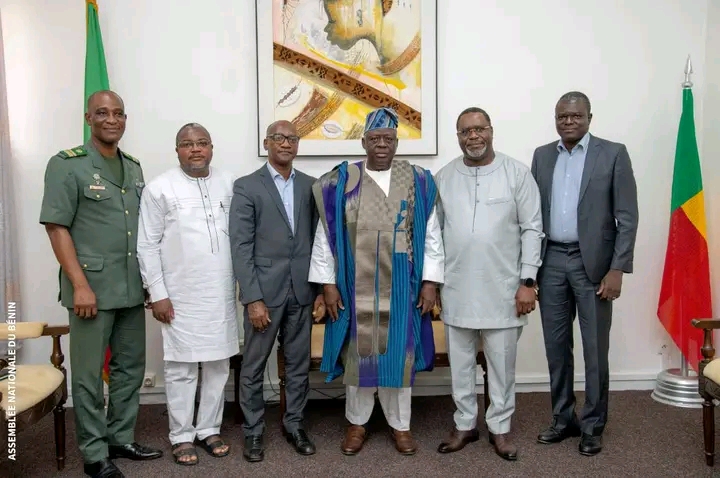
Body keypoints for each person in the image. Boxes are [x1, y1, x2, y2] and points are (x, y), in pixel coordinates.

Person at [39, 90, 162, 478]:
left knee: (130, 368)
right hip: (90, 289)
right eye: (103, 113)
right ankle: (94, 453)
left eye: (119, 113)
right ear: (88, 118)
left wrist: (148, 280)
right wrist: (79, 285)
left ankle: (119, 437)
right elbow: (57, 227)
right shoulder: (67, 164)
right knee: (89, 375)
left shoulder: (134, 167)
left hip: (130, 286)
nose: (112, 119)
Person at [309, 107, 445, 456]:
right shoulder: (342, 181)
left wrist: (430, 281)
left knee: (399, 353)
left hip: (402, 285)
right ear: (363, 142)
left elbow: (431, 234)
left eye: (388, 138)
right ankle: (357, 424)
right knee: (359, 353)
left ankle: (401, 426)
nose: (382, 144)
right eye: (375, 138)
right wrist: (327, 284)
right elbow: (325, 236)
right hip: (354, 284)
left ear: (397, 142)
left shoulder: (417, 180)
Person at [531, 91, 639, 456]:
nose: (568, 121)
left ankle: (593, 425)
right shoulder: (542, 156)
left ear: (589, 118)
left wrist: (617, 268)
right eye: (562, 116)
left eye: (576, 116)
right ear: (555, 119)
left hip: (593, 265)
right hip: (551, 261)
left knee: (595, 349)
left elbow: (627, 217)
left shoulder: (613, 154)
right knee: (556, 348)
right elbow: (533, 214)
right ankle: (563, 419)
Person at [434, 107, 544, 461]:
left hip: (504, 289)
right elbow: (433, 234)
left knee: (501, 366)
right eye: (466, 131)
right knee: (461, 366)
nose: (473, 136)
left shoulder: (517, 173)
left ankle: (500, 427)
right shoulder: (444, 177)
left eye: (479, 129)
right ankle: (465, 424)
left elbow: (532, 229)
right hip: (457, 288)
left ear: (491, 131)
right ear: (458, 137)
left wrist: (528, 281)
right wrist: (432, 283)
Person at [136, 123, 239, 466]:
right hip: (179, 294)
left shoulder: (230, 183)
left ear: (212, 147)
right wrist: (157, 293)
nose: (195, 149)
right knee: (181, 368)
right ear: (177, 150)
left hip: (221, 292)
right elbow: (147, 246)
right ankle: (181, 436)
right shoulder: (159, 188)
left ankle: (209, 429)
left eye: (202, 143)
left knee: (218, 365)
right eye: (187, 144)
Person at [229, 120, 325, 463]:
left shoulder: (311, 186)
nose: (286, 143)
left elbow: (319, 242)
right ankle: (253, 431)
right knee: (254, 366)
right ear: (266, 143)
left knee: (298, 366)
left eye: (292, 139)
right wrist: (252, 298)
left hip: (302, 291)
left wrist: (318, 289)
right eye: (279, 138)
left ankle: (294, 424)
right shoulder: (247, 186)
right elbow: (240, 247)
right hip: (264, 295)